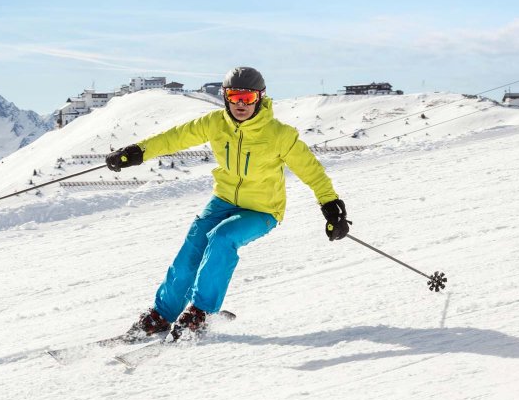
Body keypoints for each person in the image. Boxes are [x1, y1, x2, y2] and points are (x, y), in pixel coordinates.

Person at [105, 67, 351, 341]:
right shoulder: (215, 123)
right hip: (223, 200)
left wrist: (331, 207)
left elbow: (311, 170)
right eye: (235, 97)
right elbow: (175, 137)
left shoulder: (279, 134)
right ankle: (162, 315)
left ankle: (202, 313)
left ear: (260, 98)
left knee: (222, 238)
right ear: (225, 97)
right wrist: (138, 151)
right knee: (193, 247)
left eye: (247, 98)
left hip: (262, 209)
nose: (240, 105)